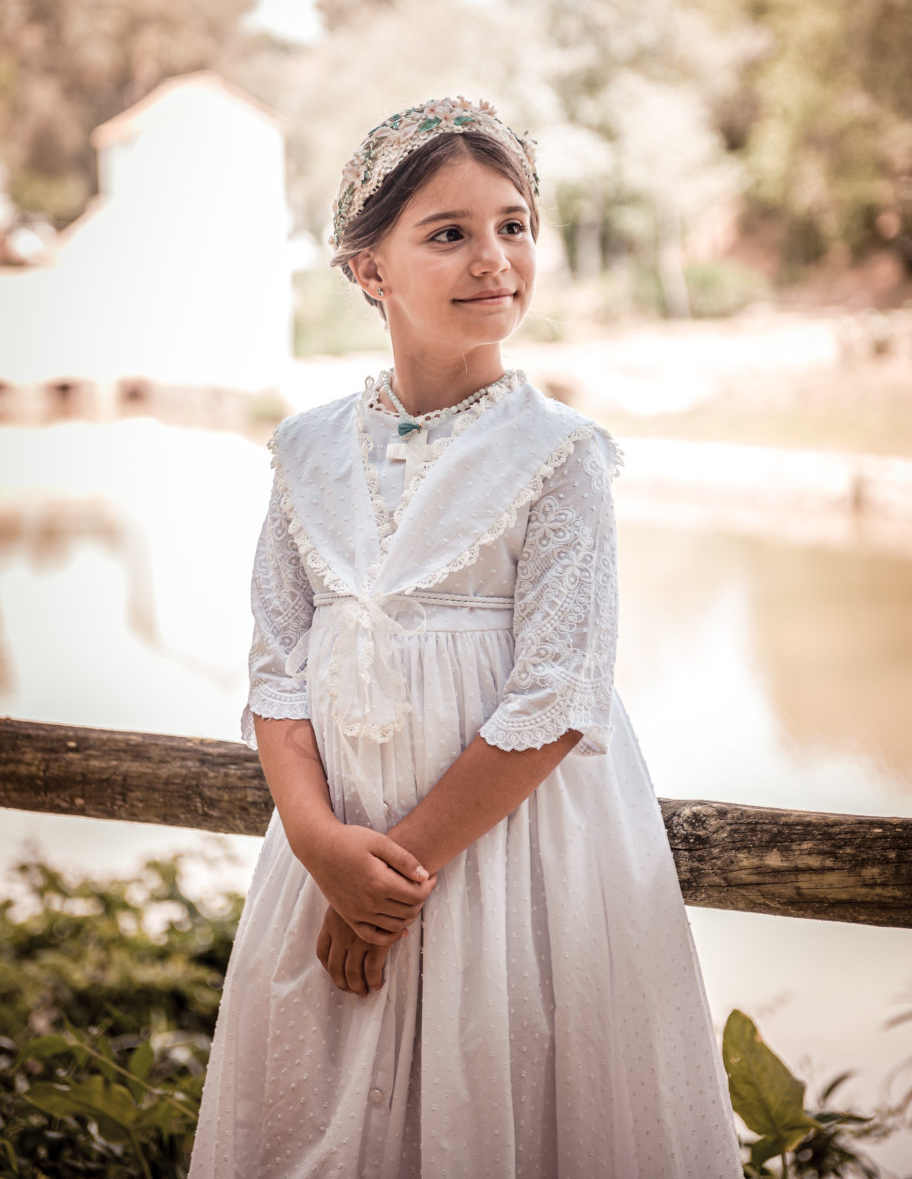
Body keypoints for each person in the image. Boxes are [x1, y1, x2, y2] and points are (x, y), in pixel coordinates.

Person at [187, 96, 742, 1178]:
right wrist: (319, 845)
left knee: (500, 1099)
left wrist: (396, 882)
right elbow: (275, 670)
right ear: (367, 270)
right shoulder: (303, 452)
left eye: (513, 224)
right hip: (331, 849)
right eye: (449, 233)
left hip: (511, 869)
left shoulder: (560, 454)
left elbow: (555, 697)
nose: (494, 258)